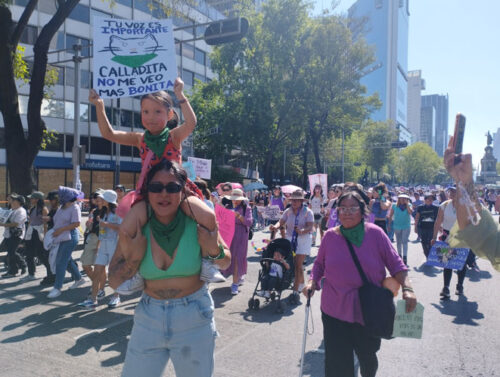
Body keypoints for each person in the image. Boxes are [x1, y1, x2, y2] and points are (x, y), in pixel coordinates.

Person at [107, 159, 230, 377]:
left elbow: (225, 261)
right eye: (156, 187)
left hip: (194, 316)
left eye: (172, 188)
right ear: (148, 190)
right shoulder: (138, 224)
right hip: (149, 317)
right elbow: (114, 281)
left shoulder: (196, 220)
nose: (164, 194)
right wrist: (134, 259)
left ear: (183, 191)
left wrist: (213, 249)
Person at [89, 78, 214, 277]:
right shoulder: (140, 139)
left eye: (158, 111)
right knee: (125, 230)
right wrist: (99, 105)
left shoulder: (174, 136)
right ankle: (134, 269)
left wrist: (180, 95)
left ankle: (208, 261)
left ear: (170, 114)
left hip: (178, 192)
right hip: (150, 195)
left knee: (208, 216)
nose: (151, 117)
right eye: (146, 111)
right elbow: (108, 133)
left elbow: (191, 123)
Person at [303, 191, 417, 377]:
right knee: (337, 363)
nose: (347, 212)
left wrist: (408, 288)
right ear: (337, 212)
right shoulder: (330, 236)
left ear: (362, 211)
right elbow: (319, 264)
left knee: (367, 357)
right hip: (334, 311)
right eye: (343, 209)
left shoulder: (376, 234)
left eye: (353, 208)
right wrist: (312, 282)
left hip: (368, 310)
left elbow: (397, 265)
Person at [444, 137, 500, 272]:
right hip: (451, 238)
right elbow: (479, 228)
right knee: (449, 264)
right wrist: (464, 183)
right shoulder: (444, 205)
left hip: (461, 239)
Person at [79, 190, 122, 309]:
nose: (99, 200)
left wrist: (107, 224)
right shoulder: (102, 212)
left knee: (114, 273)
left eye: (102, 199)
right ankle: (93, 300)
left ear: (108, 200)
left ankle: (116, 296)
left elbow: (122, 227)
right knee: (97, 271)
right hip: (103, 245)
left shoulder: (118, 212)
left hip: (114, 245)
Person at [270, 189, 314, 305]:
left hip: (303, 239)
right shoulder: (288, 211)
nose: (294, 202)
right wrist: (275, 227)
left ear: (301, 201)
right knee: (294, 263)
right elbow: (281, 221)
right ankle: (301, 284)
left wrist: (302, 231)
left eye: (297, 200)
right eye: (292, 200)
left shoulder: (307, 212)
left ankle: (295, 292)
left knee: (298, 265)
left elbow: (310, 227)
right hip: (290, 239)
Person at [47, 187, 86, 299]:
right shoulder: (61, 207)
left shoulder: (75, 207)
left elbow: (77, 223)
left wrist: (60, 230)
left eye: (61, 195)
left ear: (67, 196)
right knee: (67, 260)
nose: (59, 197)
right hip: (60, 236)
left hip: (69, 237)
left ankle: (57, 288)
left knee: (60, 262)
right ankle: (79, 279)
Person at [221, 188, 253, 295]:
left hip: (241, 235)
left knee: (237, 258)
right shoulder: (227, 207)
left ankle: (234, 284)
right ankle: (237, 277)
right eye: (233, 198)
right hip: (229, 235)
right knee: (229, 256)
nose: (235, 201)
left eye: (237, 199)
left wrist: (238, 216)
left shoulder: (247, 208)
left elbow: (249, 222)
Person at [23, 191, 49, 281]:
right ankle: (31, 274)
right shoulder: (33, 208)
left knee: (40, 254)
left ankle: (50, 271)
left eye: (32, 198)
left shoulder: (43, 209)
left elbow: (45, 224)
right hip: (31, 233)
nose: (30, 199)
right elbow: (30, 222)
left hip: (39, 234)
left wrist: (45, 236)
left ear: (37, 199)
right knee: (29, 254)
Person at [0, 193, 27, 278]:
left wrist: (3, 224)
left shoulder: (21, 211)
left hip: (16, 235)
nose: (11, 201)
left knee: (12, 252)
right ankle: (14, 270)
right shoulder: (12, 210)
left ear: (18, 202)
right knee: (10, 252)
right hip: (8, 234)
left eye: (13, 200)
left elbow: (16, 223)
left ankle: (22, 265)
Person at [388, 194, 412, 266]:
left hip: (406, 226)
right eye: (401, 198)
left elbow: (410, 212)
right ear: (398, 199)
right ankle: (399, 255)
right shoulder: (394, 205)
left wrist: (407, 204)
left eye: (405, 199)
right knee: (398, 242)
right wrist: (389, 225)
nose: (403, 200)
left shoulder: (409, 205)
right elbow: (390, 215)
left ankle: (405, 257)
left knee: (405, 241)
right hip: (397, 226)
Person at [414, 194, 439, 259]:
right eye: (429, 199)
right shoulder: (420, 207)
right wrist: (415, 227)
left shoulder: (436, 208)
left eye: (432, 199)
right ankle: (426, 253)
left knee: (431, 242)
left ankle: (430, 255)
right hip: (422, 227)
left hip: (432, 228)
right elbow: (417, 217)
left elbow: (438, 219)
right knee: (423, 242)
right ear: (425, 200)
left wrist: (439, 227)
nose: (430, 200)